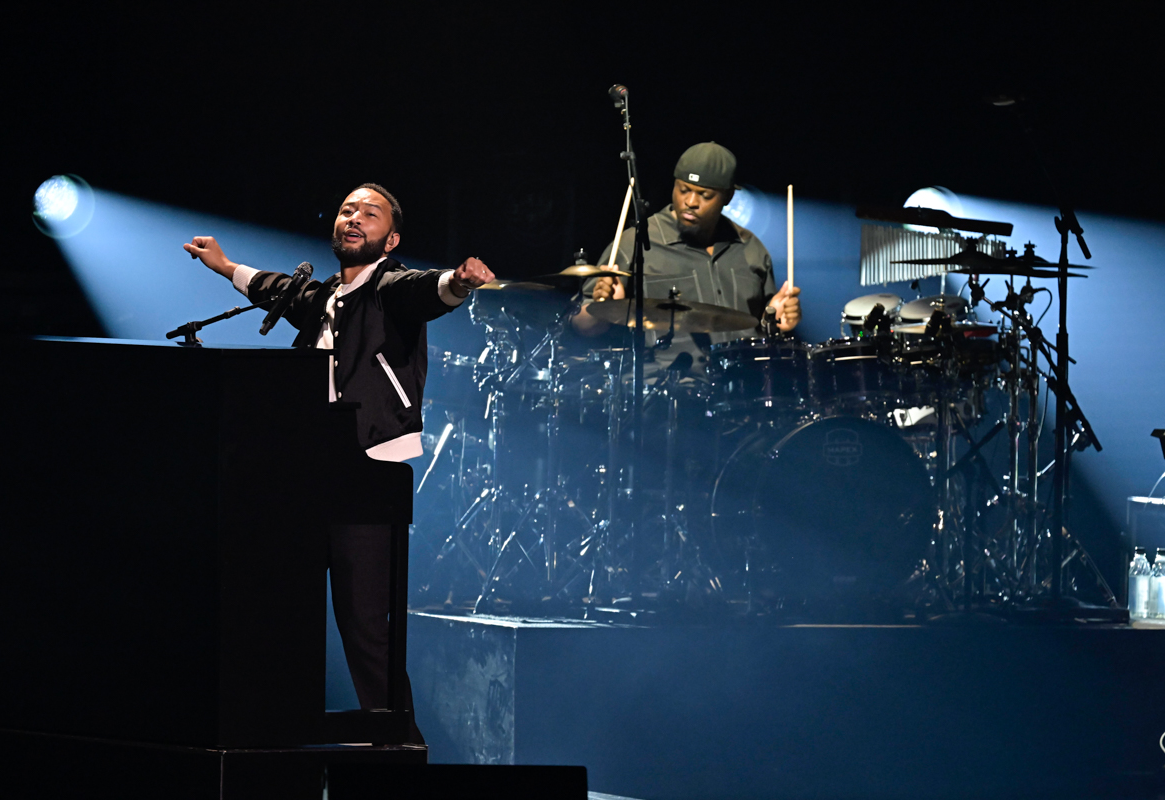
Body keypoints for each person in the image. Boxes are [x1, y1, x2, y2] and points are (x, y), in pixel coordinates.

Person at [183, 182, 494, 732]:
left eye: (369, 213)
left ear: (391, 238)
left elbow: (429, 290)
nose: (354, 218)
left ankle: (395, 750)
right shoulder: (326, 296)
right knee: (285, 610)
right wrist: (224, 265)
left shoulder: (390, 289)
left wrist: (458, 284)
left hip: (367, 468)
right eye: (348, 209)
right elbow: (276, 288)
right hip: (307, 468)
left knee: (366, 626)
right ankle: (282, 743)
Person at [571, 142, 801, 377]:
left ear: (728, 196)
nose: (691, 202)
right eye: (684, 189)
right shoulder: (636, 242)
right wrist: (604, 307)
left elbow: (767, 333)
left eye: (705, 195)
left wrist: (775, 322)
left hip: (741, 393)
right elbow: (580, 325)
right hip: (664, 395)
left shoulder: (750, 247)